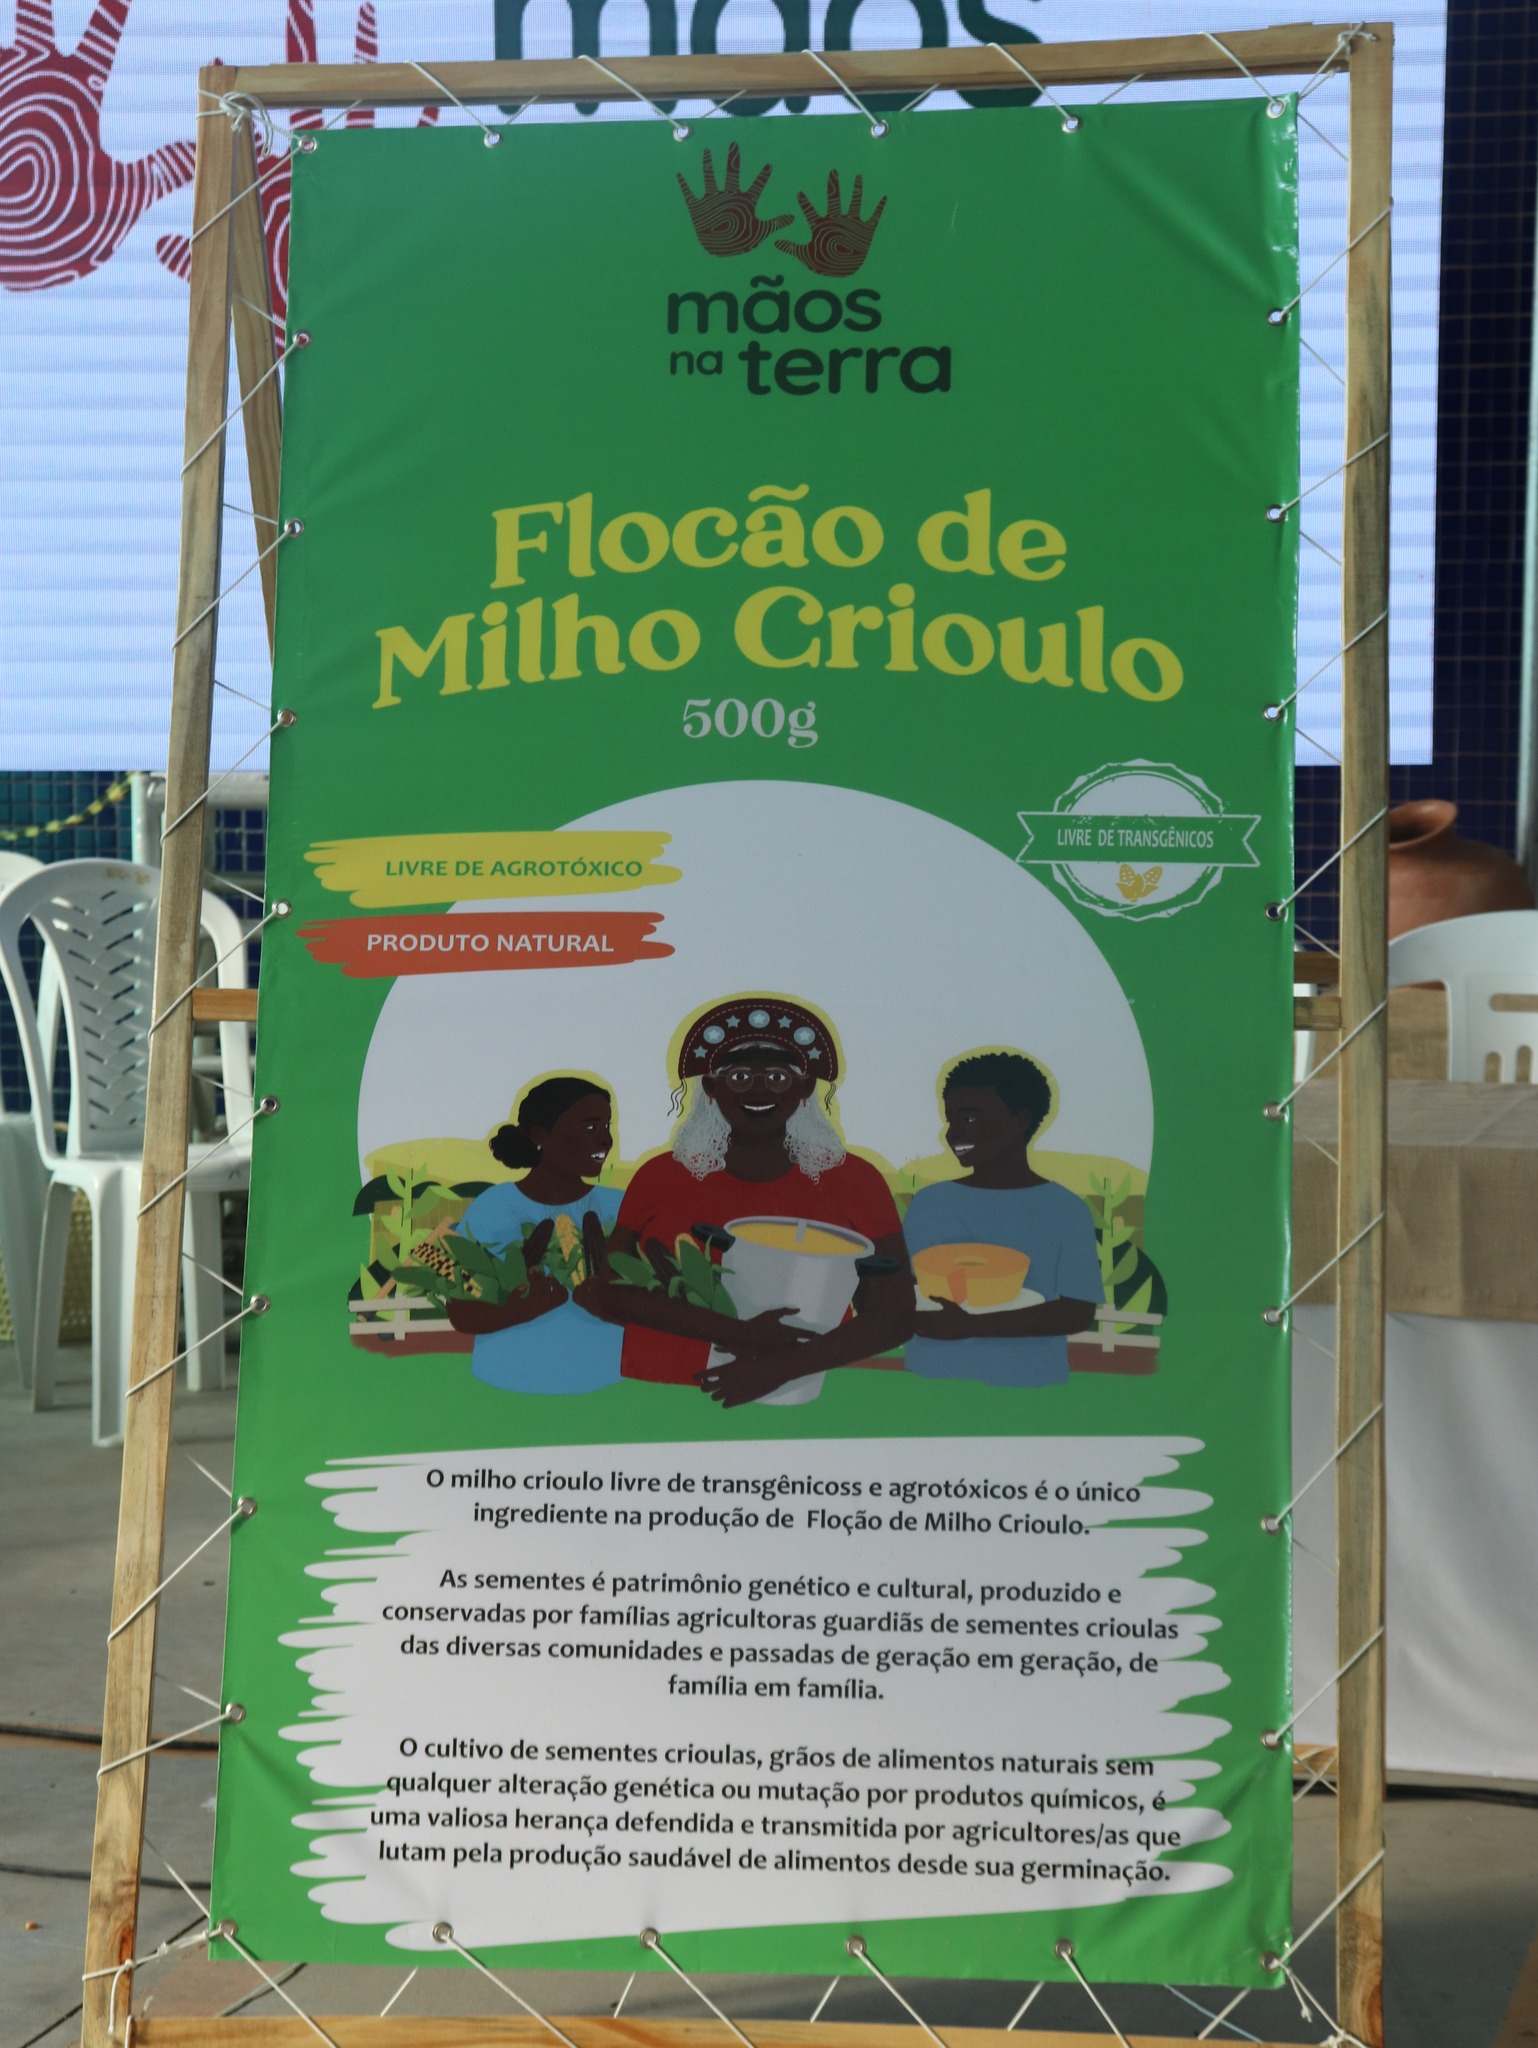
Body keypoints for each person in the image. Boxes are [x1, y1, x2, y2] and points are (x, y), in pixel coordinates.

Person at [574, 999, 913, 1406]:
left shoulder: (856, 1180)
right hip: (658, 1395)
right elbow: (610, 1290)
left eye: (777, 1077)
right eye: (738, 1077)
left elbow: (895, 1314)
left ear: (805, 1088)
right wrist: (743, 1334)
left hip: (806, 1400)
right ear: (711, 1088)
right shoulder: (659, 1176)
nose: (758, 1089)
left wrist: (779, 1369)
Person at [903, 1051, 1102, 1388]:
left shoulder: (1065, 1210)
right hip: (931, 1380)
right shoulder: (930, 1203)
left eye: (969, 1118)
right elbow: (905, 1288)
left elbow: (1077, 1311)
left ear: (1020, 1121)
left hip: (1028, 1385)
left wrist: (971, 1326)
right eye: (950, 1119)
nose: (952, 1133)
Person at [452, 1077, 623, 1395]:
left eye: (606, 1126)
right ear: (539, 1135)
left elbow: (662, 1301)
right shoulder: (494, 1207)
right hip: (505, 1385)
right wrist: (519, 1309)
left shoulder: (619, 1206)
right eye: (589, 1127)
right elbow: (459, 1311)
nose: (605, 1139)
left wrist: (615, 1304)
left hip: (607, 1383)